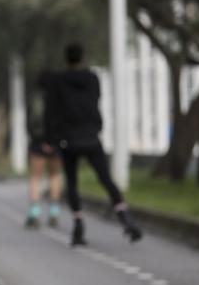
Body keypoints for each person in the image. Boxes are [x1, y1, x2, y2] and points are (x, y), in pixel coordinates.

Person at [45, 42, 142, 246]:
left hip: (68, 139)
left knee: (72, 183)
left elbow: (52, 111)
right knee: (106, 179)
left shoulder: (58, 81)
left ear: (66, 58)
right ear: (83, 57)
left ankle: (78, 224)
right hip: (90, 136)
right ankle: (125, 218)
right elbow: (96, 100)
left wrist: (51, 138)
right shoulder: (92, 79)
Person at [25, 72, 62, 228]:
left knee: (35, 178)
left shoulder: (35, 98)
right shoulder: (59, 98)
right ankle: (54, 213)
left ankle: (34, 214)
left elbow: (30, 122)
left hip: (37, 143)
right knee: (54, 176)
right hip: (55, 143)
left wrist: (36, 139)